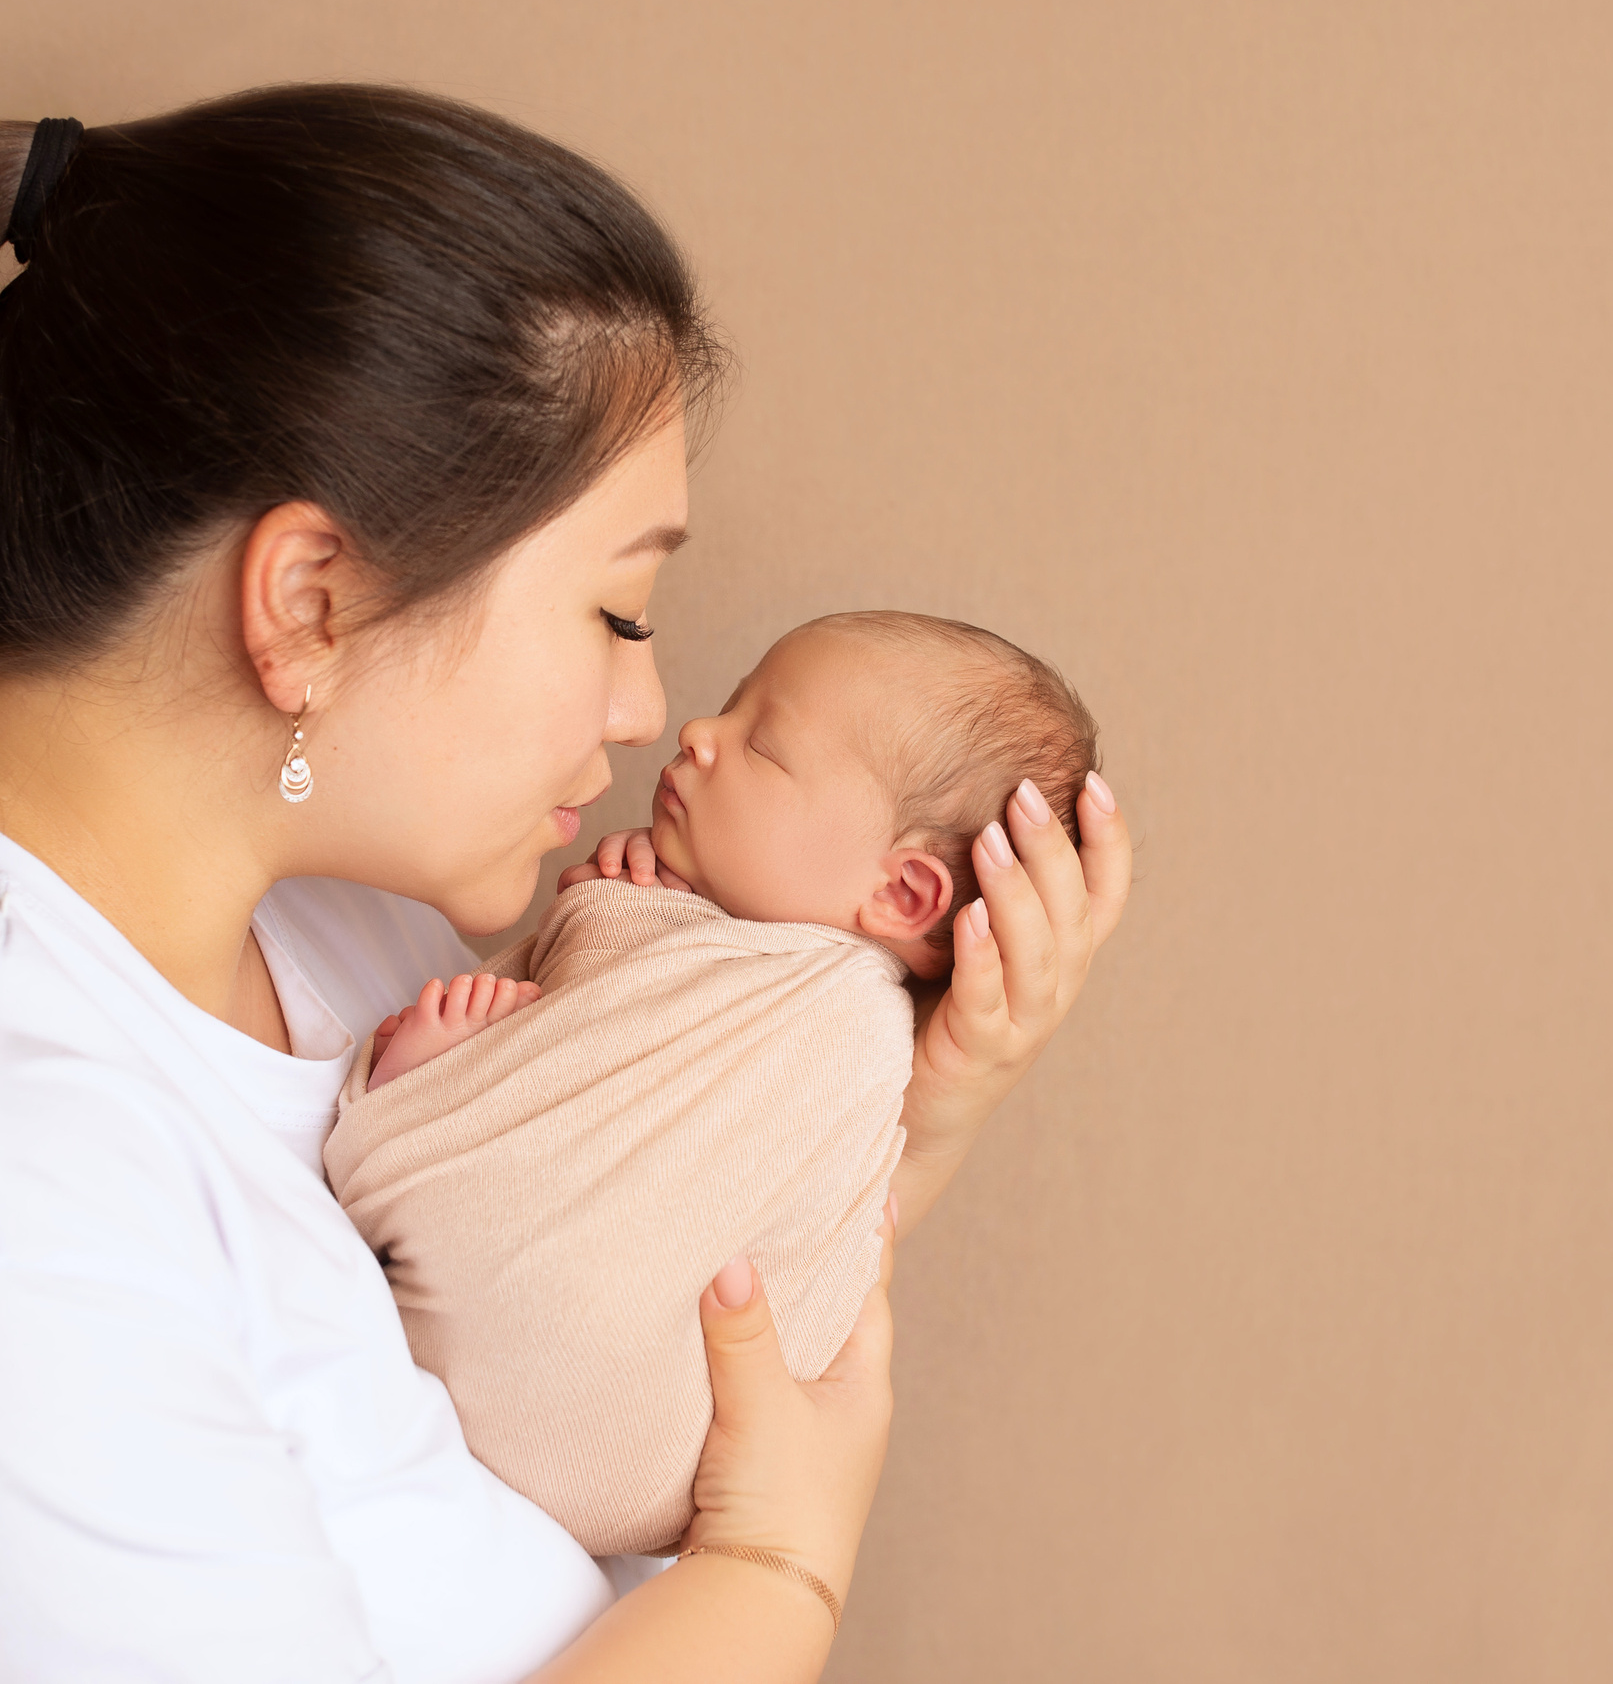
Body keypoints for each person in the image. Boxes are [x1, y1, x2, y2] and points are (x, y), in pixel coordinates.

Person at [0, 86, 1130, 1684]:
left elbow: (620, 1319)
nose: (643, 706)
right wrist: (776, 1573)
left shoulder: (327, 920)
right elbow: (716, 1482)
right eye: (614, 610)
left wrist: (921, 1100)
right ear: (308, 603)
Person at [328, 611, 1101, 1556]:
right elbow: (609, 1043)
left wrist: (612, 923)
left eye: (760, 746)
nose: (698, 732)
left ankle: (428, 1101)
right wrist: (623, 915)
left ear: (902, 893)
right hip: (617, 1491)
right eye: (731, 706)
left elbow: (785, 1225)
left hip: (585, 1379)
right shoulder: (714, 934)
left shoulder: (847, 1031)